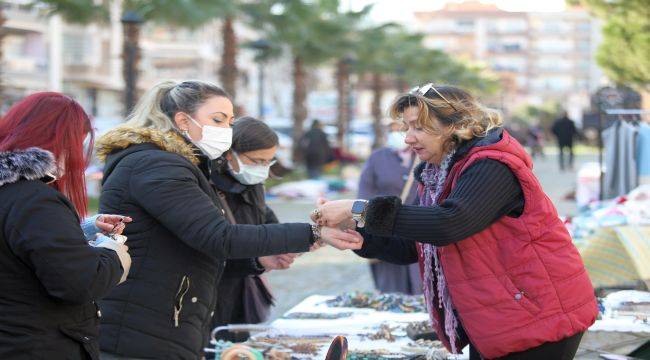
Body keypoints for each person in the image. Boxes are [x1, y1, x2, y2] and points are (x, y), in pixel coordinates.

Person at [312, 84, 597, 359]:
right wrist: (359, 236)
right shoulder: (438, 173)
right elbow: (417, 244)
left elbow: (447, 224)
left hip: (537, 314)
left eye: (419, 127)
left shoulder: (491, 164)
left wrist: (359, 208)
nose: (408, 138)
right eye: (406, 127)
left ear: (454, 125)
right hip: (495, 316)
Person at [95, 80, 361, 359]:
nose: (226, 130)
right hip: (142, 326)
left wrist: (262, 257)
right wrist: (314, 233)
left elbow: (204, 241)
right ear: (183, 120)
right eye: (217, 120)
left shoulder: (181, 165)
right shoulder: (156, 165)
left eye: (230, 121)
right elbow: (217, 236)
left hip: (167, 320)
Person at [0, 92, 131, 359]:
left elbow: (16, 249)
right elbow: (78, 283)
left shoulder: (13, 192)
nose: (76, 157)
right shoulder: (35, 199)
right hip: (39, 344)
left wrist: (80, 230)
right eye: (75, 145)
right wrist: (113, 252)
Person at [209, 117, 300, 342]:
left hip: (240, 296)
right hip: (210, 300)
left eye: (268, 162)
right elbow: (219, 244)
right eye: (256, 161)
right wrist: (259, 259)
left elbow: (268, 223)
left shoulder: (253, 185)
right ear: (230, 154)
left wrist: (302, 239)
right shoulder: (204, 187)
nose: (261, 169)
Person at [358, 121, 422, 295]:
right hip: (386, 228)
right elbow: (364, 193)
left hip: (419, 227)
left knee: (422, 282)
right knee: (391, 287)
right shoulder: (377, 157)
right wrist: (363, 222)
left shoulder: (424, 155)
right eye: (392, 130)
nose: (396, 134)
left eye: (400, 130)